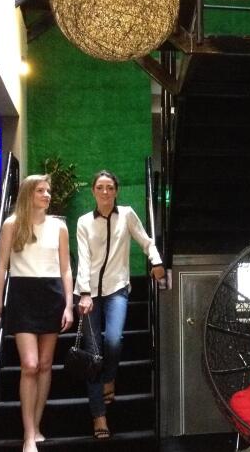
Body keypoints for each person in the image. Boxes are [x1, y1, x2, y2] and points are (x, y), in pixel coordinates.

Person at [0, 174, 74, 452]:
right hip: (22, 296)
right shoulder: (12, 224)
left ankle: (35, 427)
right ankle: (28, 435)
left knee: (45, 364)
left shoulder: (59, 226)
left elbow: (66, 268)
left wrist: (69, 304)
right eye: (40, 191)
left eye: (48, 191)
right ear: (27, 194)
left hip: (52, 294)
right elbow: (2, 266)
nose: (47, 195)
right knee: (30, 364)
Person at [75, 170, 165, 439]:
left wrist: (157, 261)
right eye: (100, 187)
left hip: (117, 289)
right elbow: (83, 258)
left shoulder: (126, 215)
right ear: (93, 191)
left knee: (113, 339)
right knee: (93, 354)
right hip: (90, 293)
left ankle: (110, 377)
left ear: (116, 191)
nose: (105, 192)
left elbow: (146, 241)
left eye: (110, 187)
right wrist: (84, 293)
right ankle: (99, 415)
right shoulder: (84, 222)